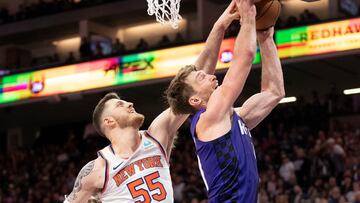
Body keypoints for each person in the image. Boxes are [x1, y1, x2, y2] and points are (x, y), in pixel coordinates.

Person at [64, 1, 240, 202]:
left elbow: (195, 81)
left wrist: (219, 26)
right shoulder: (97, 169)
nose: (129, 103)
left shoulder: (157, 134)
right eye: (120, 105)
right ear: (109, 121)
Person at [165, 0, 285, 201]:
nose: (210, 75)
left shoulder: (231, 119)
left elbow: (274, 92)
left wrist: (266, 38)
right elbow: (244, 57)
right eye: (201, 77)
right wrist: (248, 16)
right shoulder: (209, 117)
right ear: (194, 100)